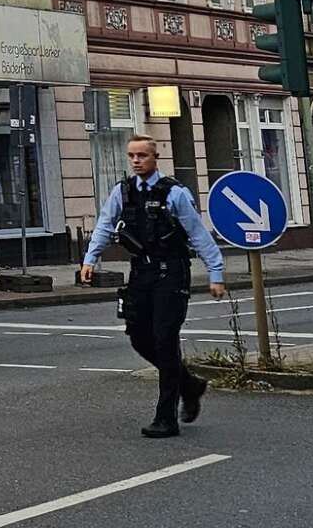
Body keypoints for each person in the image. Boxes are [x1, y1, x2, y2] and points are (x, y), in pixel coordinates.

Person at [80, 134, 227, 439]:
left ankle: (166, 418)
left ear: (154, 157)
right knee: (138, 338)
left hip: (171, 272)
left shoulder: (174, 193)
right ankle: (190, 385)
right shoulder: (123, 192)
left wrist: (216, 273)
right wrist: (90, 259)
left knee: (165, 340)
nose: (136, 161)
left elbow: (198, 234)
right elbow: (105, 225)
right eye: (132, 156)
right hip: (141, 273)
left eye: (142, 156)